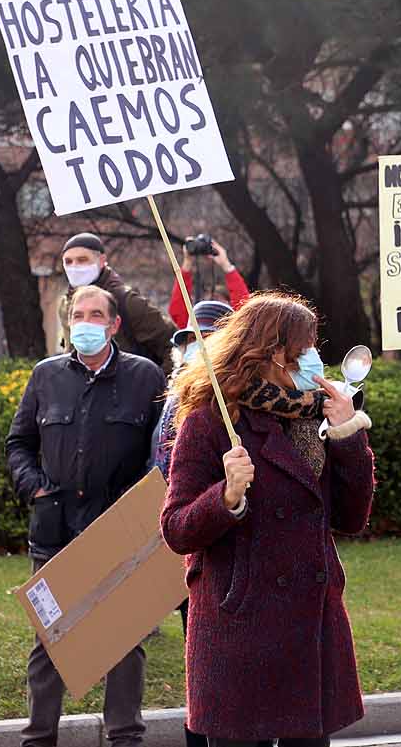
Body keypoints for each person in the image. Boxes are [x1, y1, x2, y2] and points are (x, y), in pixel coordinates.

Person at [161, 292, 375, 747]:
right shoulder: (210, 421)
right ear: (277, 353)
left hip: (309, 626)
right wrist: (227, 496)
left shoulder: (315, 414)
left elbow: (352, 518)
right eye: (307, 345)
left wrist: (347, 434)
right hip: (240, 627)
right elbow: (177, 528)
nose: (316, 357)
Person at [7, 284, 166, 747]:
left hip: (118, 531)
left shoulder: (145, 377)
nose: (86, 323)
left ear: (114, 325)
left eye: (96, 314)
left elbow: (161, 450)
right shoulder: (45, 375)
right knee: (48, 639)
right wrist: (34, 487)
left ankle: (125, 737)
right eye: (78, 314)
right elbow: (18, 443)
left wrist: (138, 506)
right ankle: (39, 738)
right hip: (55, 531)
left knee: (124, 638)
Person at [148, 297, 255, 747]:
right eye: (189, 338)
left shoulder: (229, 403)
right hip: (187, 532)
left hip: (225, 548)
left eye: (207, 337)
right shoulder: (175, 395)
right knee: (201, 657)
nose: (197, 346)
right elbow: (162, 459)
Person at [58, 232, 176, 373]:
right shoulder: (65, 305)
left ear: (101, 261)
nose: (75, 267)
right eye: (68, 262)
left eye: (82, 260)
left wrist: (157, 387)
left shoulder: (127, 301)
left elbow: (175, 344)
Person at [153, 299, 236, 480]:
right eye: (193, 338)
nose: (198, 343)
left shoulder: (230, 396)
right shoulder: (175, 388)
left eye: (207, 337)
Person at [167, 236, 250, 329]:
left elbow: (245, 310)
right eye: (210, 301)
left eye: (219, 302)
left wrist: (226, 265)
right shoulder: (193, 331)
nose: (212, 308)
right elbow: (178, 310)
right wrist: (187, 263)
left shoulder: (232, 333)